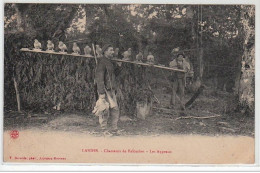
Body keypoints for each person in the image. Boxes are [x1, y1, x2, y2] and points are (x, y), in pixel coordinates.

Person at [92, 44, 120, 133]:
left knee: (115, 109)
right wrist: (101, 92)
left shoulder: (110, 62)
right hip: (105, 89)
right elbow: (99, 78)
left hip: (111, 89)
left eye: (113, 50)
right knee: (104, 109)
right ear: (105, 51)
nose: (113, 52)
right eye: (111, 50)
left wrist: (119, 66)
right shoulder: (102, 62)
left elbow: (114, 75)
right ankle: (104, 129)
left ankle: (114, 129)